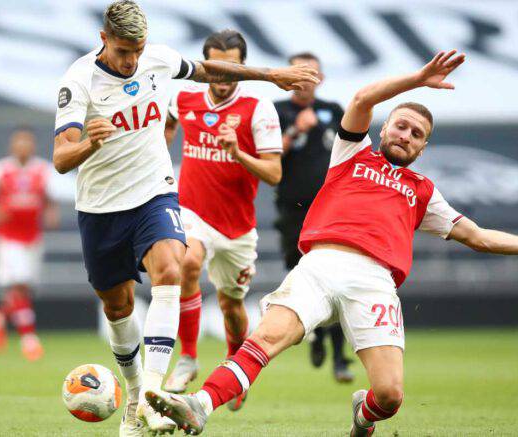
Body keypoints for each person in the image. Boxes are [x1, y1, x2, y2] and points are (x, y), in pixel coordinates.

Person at [143, 49, 518, 436]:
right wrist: (418, 79)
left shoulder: (423, 191)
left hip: (375, 283)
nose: (405, 135)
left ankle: (364, 414)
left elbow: (478, 236)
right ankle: (200, 405)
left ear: (422, 149)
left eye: (416, 134)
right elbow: (361, 99)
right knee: (267, 339)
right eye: (401, 126)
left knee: (390, 395)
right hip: (320, 266)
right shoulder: (352, 153)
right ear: (384, 128)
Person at [52, 2, 318, 436]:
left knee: (172, 268)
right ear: (103, 39)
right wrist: (88, 144)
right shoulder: (78, 80)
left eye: (138, 50)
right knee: (117, 307)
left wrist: (271, 75)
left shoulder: (158, 59)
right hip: (100, 207)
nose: (132, 60)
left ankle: (151, 396)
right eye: (123, 51)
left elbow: (209, 70)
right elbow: (62, 158)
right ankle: (135, 396)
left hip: (154, 193)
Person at [162, 30, 283, 413]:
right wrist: (159, 154)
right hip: (191, 211)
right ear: (204, 65)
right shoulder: (183, 96)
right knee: (187, 262)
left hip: (237, 227)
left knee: (232, 306)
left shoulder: (258, 108)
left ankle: (233, 365)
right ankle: (188, 356)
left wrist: (238, 152)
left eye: (232, 67)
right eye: (215, 66)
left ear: (243, 67)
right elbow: (166, 125)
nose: (223, 75)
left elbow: (274, 174)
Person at [273, 52, 353, 383]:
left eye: (312, 73)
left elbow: (350, 151)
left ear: (321, 78)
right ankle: (317, 334)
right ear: (287, 76)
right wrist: (294, 131)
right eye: (299, 72)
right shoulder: (276, 111)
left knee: (336, 276)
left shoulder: (334, 110)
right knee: (302, 275)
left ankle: (340, 357)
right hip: (292, 210)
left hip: (331, 209)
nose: (305, 79)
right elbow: (267, 157)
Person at [0, 125, 59, 362]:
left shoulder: (43, 169)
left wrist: (51, 213)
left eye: (27, 141)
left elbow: (49, 198)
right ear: (12, 144)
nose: (23, 146)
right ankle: (29, 339)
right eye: (19, 141)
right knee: (18, 284)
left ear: (33, 145)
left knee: (25, 288)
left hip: (33, 236)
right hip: (8, 237)